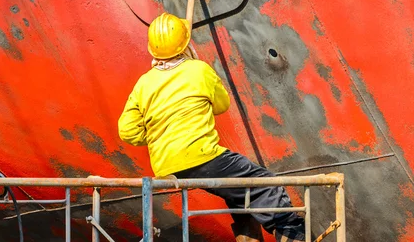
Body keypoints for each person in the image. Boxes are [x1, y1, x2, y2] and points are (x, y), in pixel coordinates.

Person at [118, 13, 306, 242]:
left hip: (167, 165)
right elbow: (221, 105)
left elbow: (127, 131)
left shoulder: (144, 83)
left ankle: (248, 237)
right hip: (202, 156)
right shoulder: (198, 70)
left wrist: (162, 131)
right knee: (263, 184)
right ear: (185, 43)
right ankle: (293, 233)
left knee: (236, 193)